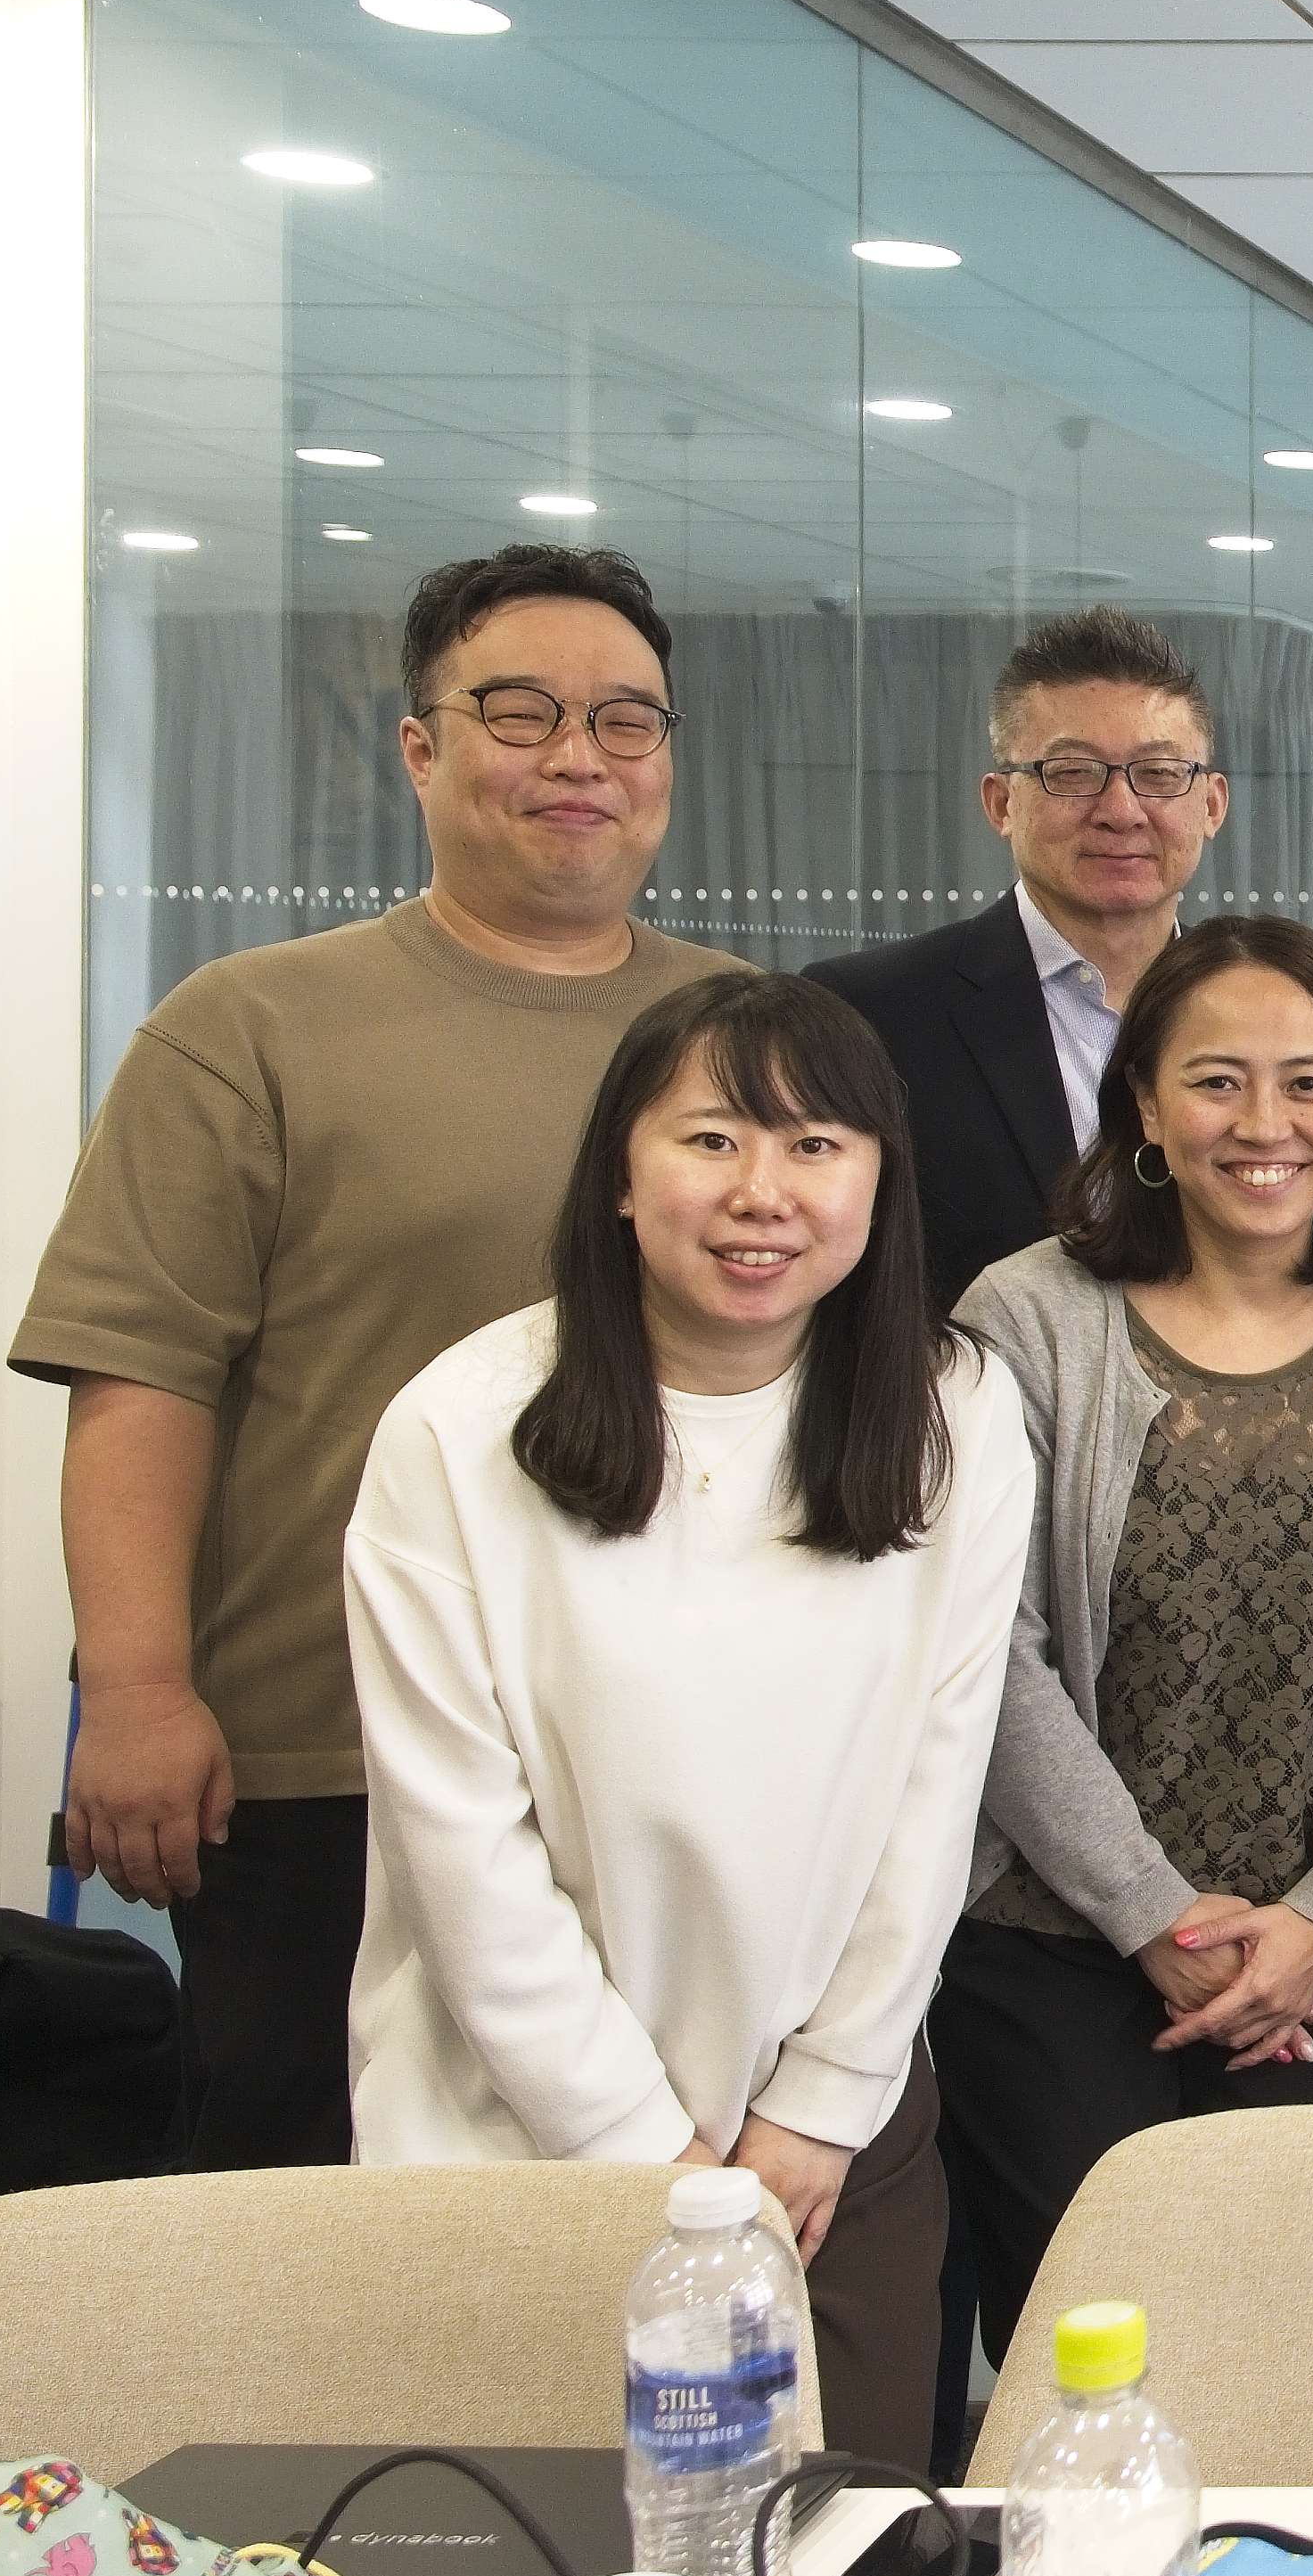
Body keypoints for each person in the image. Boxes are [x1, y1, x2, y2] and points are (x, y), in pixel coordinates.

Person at [14, 544, 743, 2169]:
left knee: (654, 2227)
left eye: (627, 722)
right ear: (419, 748)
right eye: (521, 712)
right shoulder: (250, 1027)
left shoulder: (745, 1034)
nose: (579, 760)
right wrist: (134, 1693)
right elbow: (140, 1378)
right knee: (320, 2240)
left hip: (668, 1753)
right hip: (318, 1759)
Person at [337, 973, 1029, 2467]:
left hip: (826, 2148)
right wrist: (642, 2157)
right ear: (618, 1182)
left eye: (817, 1145)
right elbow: (463, 1856)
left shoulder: (956, 1415)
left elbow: (934, 1784)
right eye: (712, 1140)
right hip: (522, 2143)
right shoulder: (458, 1434)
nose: (762, 1193)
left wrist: (823, 2105)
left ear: (879, 1183)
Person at [932, 916, 1313, 2354]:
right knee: (1094, 2367)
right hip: (1054, 1941)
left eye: (1309, 1083)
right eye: (1216, 1082)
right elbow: (987, 1661)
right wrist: (1154, 1919)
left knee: (1290, 2370)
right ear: (1142, 1103)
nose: (1265, 1126)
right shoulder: (1026, 1315)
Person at [807, 609, 1234, 1320]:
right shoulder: (863, 1015)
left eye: (1159, 774)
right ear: (1001, 803)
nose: (1122, 810)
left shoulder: (1272, 1015)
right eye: (1073, 774)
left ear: (1211, 804)